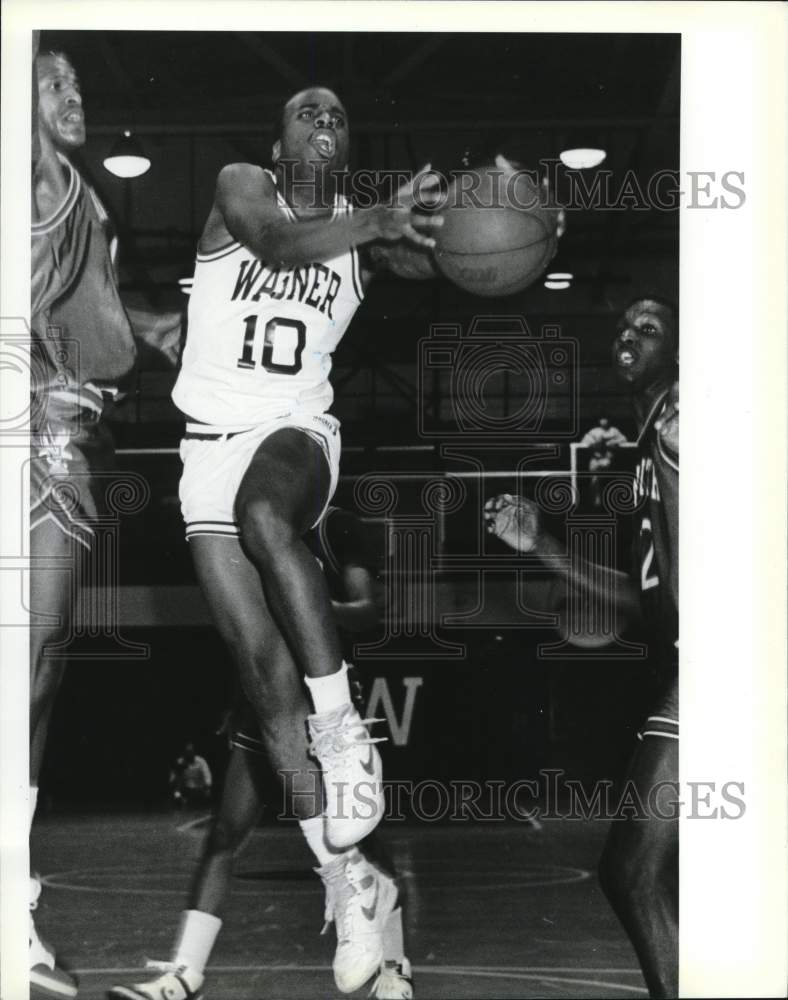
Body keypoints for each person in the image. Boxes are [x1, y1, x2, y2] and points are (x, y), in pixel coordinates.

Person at [166, 85, 440, 994]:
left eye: (338, 116)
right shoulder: (244, 186)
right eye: (305, 112)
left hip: (294, 435)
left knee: (266, 515)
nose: (324, 121)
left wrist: (507, 222)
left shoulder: (372, 240)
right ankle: (349, 882)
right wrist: (379, 217)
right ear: (278, 141)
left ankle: (344, 731)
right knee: (262, 681)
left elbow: (455, 254)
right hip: (207, 450)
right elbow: (278, 243)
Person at [109, 505, 413, 1000]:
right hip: (264, 699)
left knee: (363, 841)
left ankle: (395, 968)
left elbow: (368, 612)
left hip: (322, 699)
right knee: (225, 832)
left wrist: (305, 604)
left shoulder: (338, 525)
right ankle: (184, 974)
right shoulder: (238, 523)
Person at [29, 36, 181, 999]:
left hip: (58, 443)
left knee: (35, 669)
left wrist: (180, 333)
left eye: (78, 80)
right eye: (54, 80)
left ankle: (14, 900)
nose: (74, 92)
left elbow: (110, 326)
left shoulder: (84, 200)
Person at [485, 297, 679, 998]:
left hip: (723, 672)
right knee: (631, 873)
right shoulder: (650, 444)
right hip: (690, 669)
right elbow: (644, 603)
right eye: (625, 324)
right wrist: (543, 547)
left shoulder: (685, 418)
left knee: (635, 871)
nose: (629, 333)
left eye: (650, 329)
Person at [170, 744, 213, 810]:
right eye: (187, 752)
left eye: (190, 752)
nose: (189, 754)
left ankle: (200, 805)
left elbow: (207, 776)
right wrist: (178, 769)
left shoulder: (201, 761)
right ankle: (181, 804)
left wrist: (207, 787)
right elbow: (172, 780)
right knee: (176, 794)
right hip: (186, 790)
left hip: (199, 789)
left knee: (206, 794)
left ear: (194, 752)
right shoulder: (180, 762)